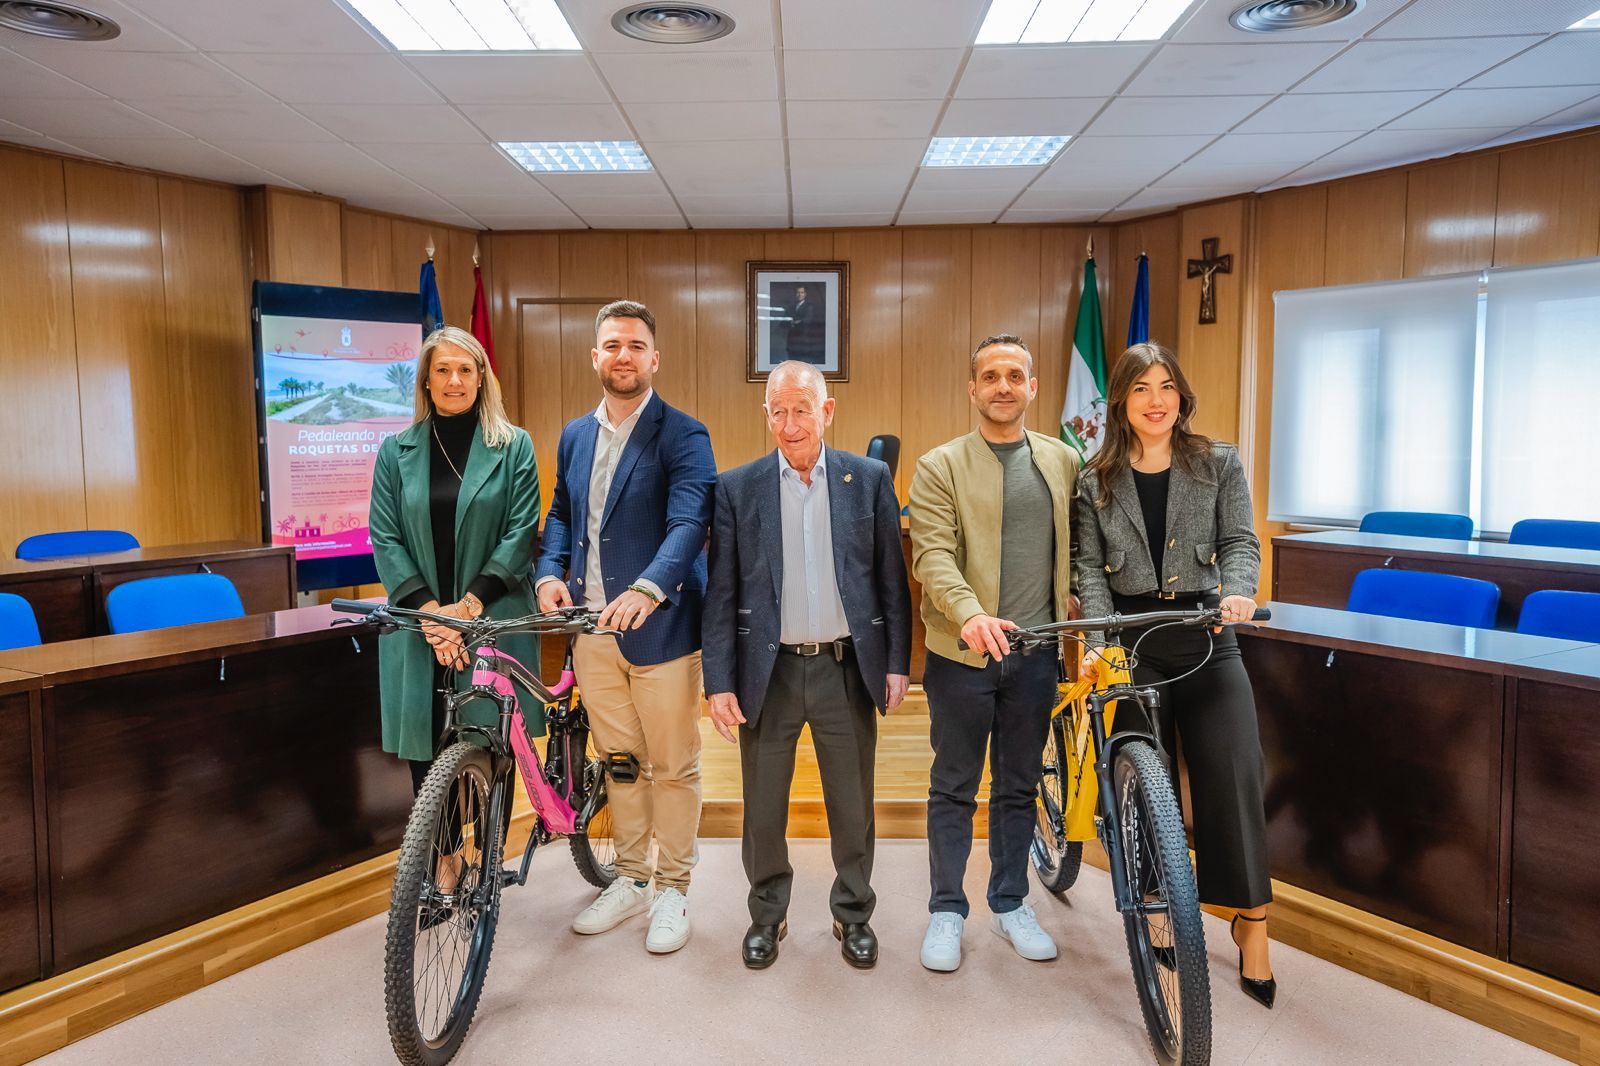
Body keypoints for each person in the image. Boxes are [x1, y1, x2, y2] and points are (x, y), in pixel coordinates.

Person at [1071, 341, 1276, 1009]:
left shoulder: (1215, 462)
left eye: (1166, 387)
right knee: (1139, 789)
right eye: (1141, 389)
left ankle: (1252, 924)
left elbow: (1241, 541)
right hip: (1133, 641)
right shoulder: (1094, 480)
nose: (1156, 400)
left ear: (1181, 396)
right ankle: (1158, 905)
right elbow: (1089, 576)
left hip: (1207, 631)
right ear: (1122, 403)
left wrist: (1239, 591)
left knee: (1234, 772)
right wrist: (1103, 645)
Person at [703, 360, 912, 971]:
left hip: (845, 669)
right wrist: (718, 682)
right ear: (765, 414)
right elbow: (720, 594)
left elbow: (891, 584)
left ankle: (853, 914)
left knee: (853, 803)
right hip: (766, 674)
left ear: (827, 412)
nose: (790, 424)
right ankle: (768, 914)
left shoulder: (867, 479)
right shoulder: (737, 488)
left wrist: (897, 662)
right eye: (778, 411)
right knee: (762, 806)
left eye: (802, 410)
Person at [534, 299, 717, 955]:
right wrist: (547, 571)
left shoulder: (683, 434)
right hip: (590, 633)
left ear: (654, 358)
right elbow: (560, 514)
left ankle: (673, 888)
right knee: (620, 762)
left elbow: (691, 522)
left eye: (636, 346)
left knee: (672, 766)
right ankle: (633, 878)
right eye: (612, 344)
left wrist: (649, 586)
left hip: (661, 631)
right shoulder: (575, 436)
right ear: (595, 356)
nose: (623, 356)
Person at [908, 333, 1079, 972]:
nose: (1003, 385)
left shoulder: (1064, 462)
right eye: (990, 375)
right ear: (973, 389)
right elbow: (931, 555)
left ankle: (1010, 902)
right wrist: (971, 614)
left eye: (1015, 375)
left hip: (1036, 656)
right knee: (952, 785)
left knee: (1017, 785)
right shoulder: (939, 466)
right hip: (962, 655)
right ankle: (946, 911)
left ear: (1033, 388)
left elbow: (1080, 555)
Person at [369, 325, 539, 896]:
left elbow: (520, 533)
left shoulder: (513, 445)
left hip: (489, 616)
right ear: (425, 379)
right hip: (420, 622)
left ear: (482, 377)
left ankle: (483, 853)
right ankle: (444, 864)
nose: (454, 380)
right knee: (428, 745)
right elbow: (385, 538)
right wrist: (432, 614)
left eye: (466, 369)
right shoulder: (396, 451)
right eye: (442, 370)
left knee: (487, 740)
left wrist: (464, 608)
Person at [786, 285, 823, 364]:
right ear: (795, 294)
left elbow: (808, 320)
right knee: (792, 363)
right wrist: (789, 322)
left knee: (801, 364)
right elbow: (784, 322)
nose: (799, 294)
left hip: (803, 340)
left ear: (805, 294)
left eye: (802, 292)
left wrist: (796, 322)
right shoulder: (791, 307)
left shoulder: (809, 306)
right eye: (798, 292)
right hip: (791, 341)